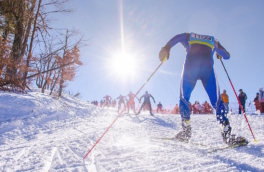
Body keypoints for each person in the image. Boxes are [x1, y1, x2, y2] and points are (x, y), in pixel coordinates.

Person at [159, 32, 247, 145]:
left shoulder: (188, 36)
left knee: (184, 98)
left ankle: (186, 131)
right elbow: (227, 56)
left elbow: (176, 38)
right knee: (217, 102)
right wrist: (219, 54)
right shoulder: (213, 41)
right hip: (208, 70)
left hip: (191, 69)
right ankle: (227, 134)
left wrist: (166, 48)